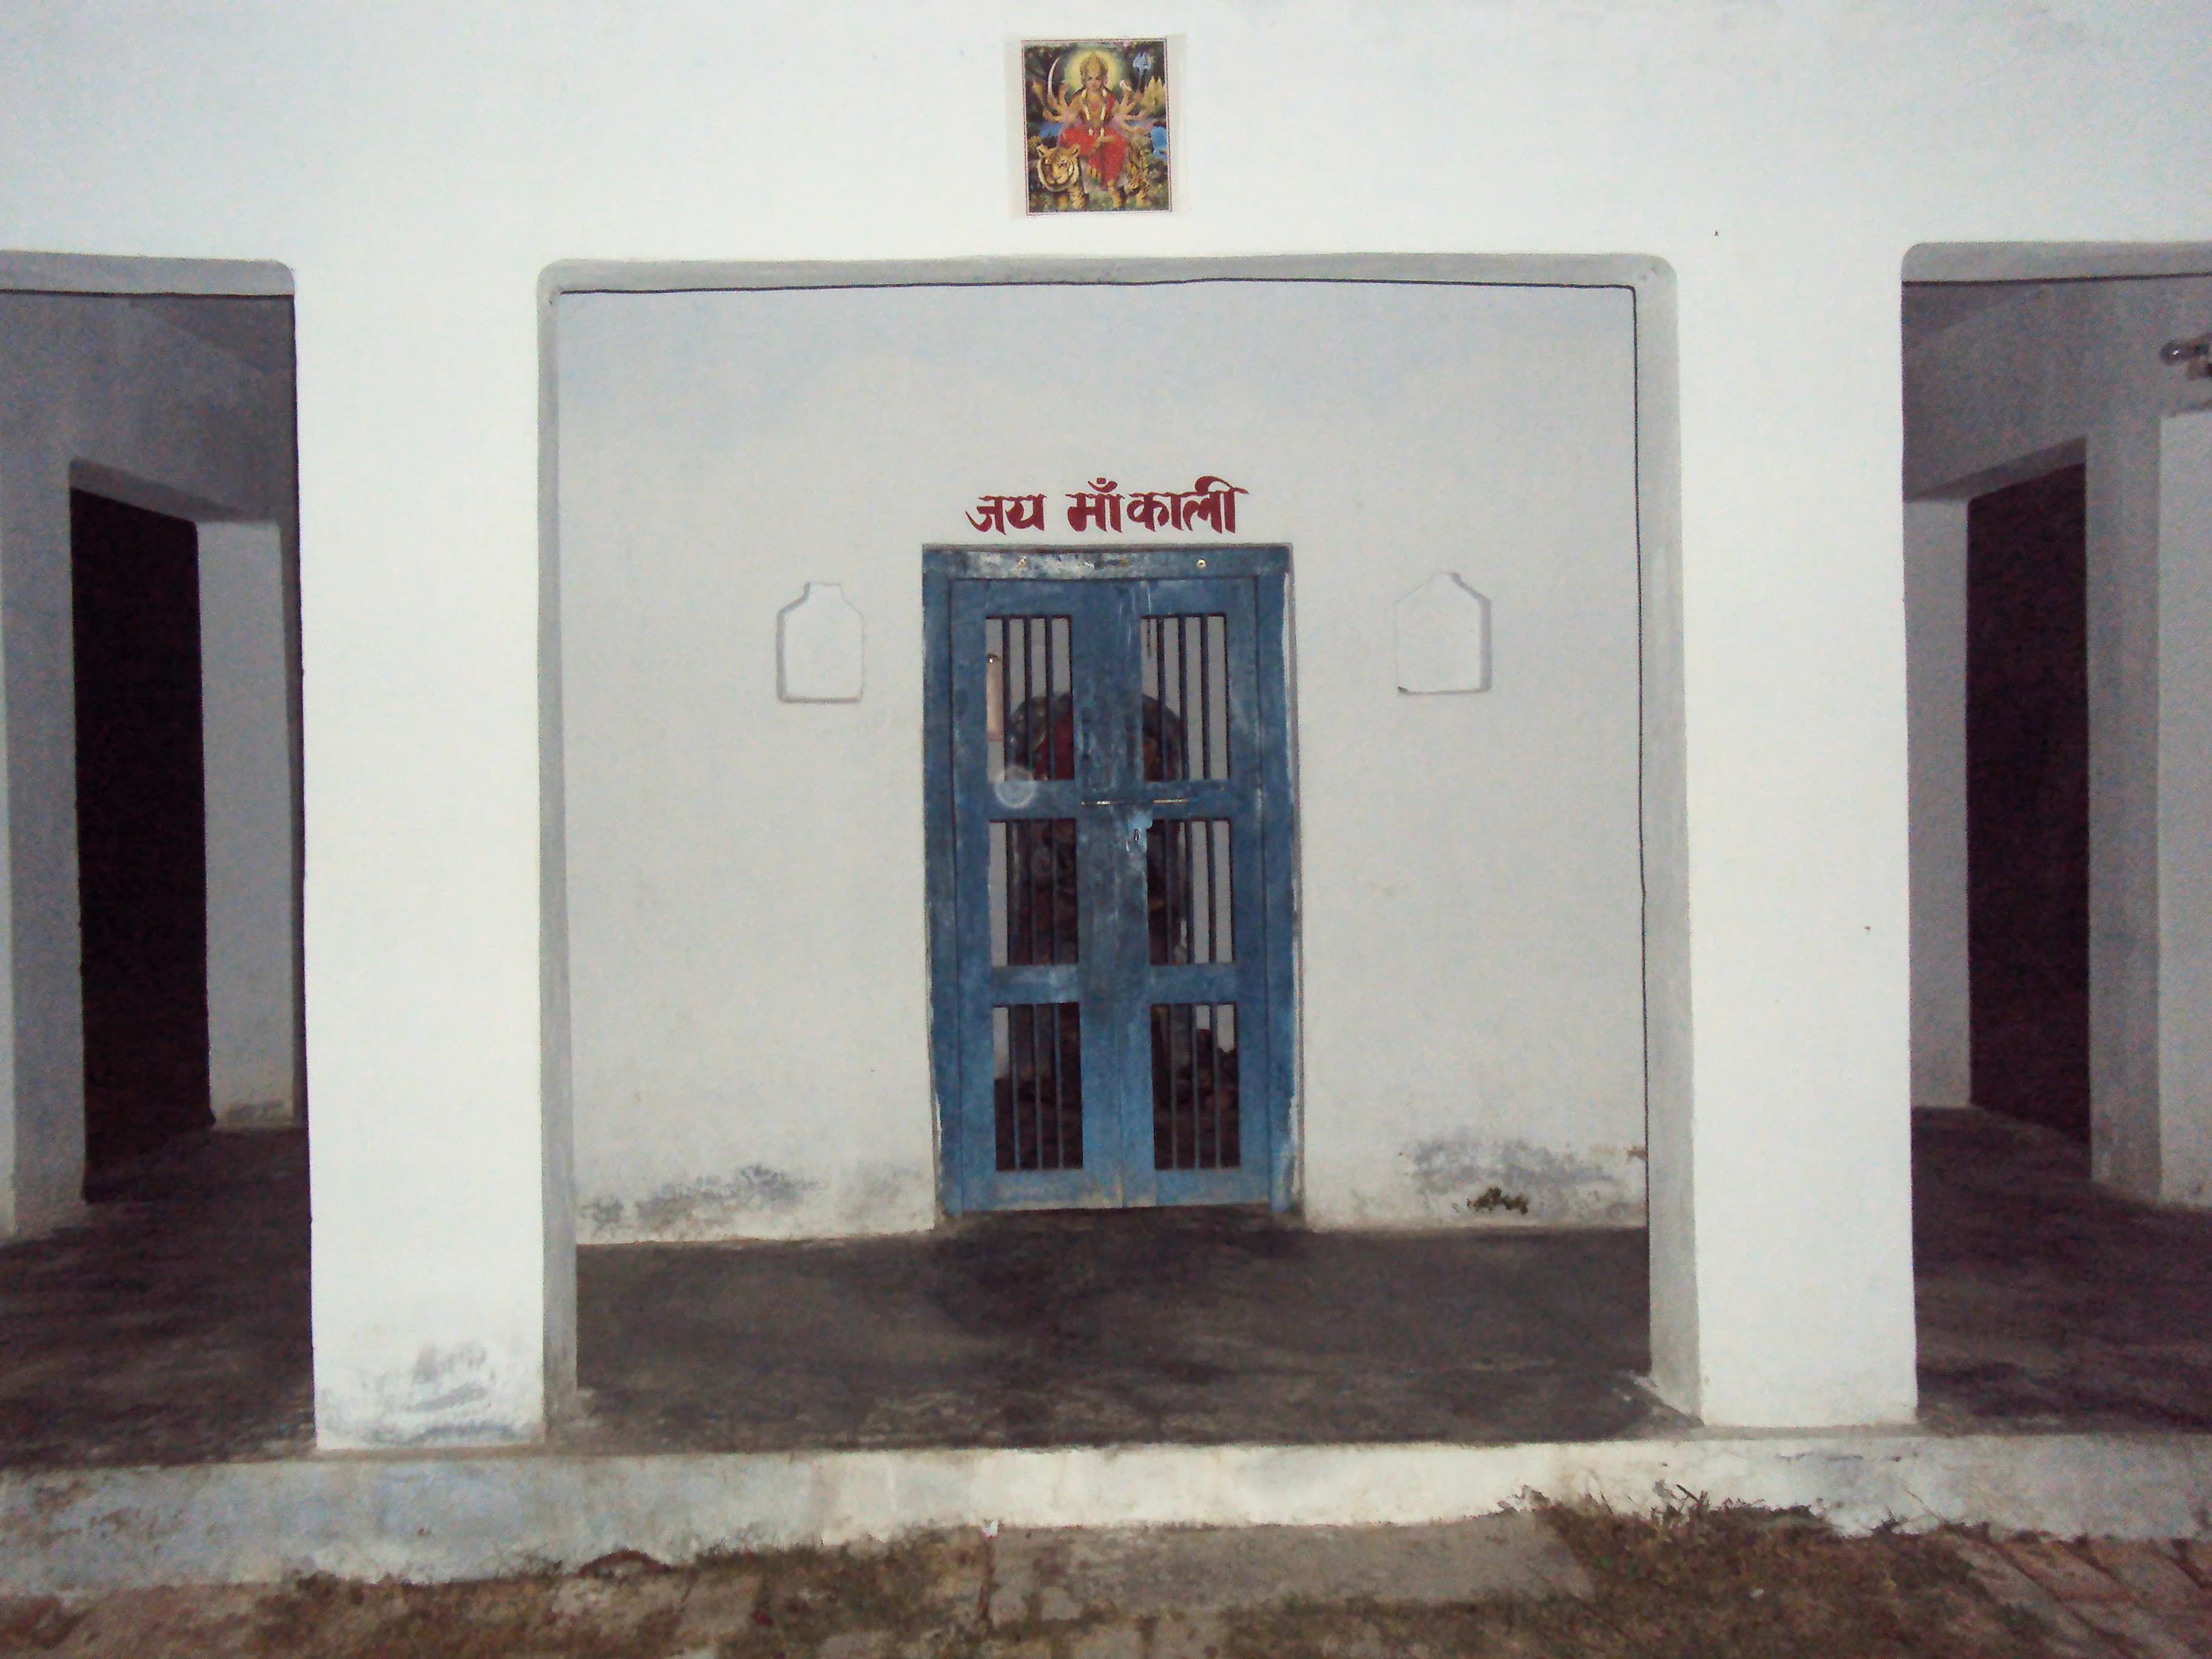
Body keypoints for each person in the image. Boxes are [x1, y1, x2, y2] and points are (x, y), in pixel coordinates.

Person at [1040, 53, 1146, 204]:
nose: (1094, 83)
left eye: (1098, 78)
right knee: (1072, 139)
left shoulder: (1109, 97)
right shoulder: (1079, 97)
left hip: (1106, 133)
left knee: (1117, 142)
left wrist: (1130, 99)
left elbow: (1119, 113)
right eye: (1090, 79)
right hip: (1085, 136)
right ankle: (1081, 191)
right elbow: (1070, 117)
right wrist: (1056, 113)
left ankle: (1114, 187)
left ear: (1105, 79)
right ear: (1083, 80)